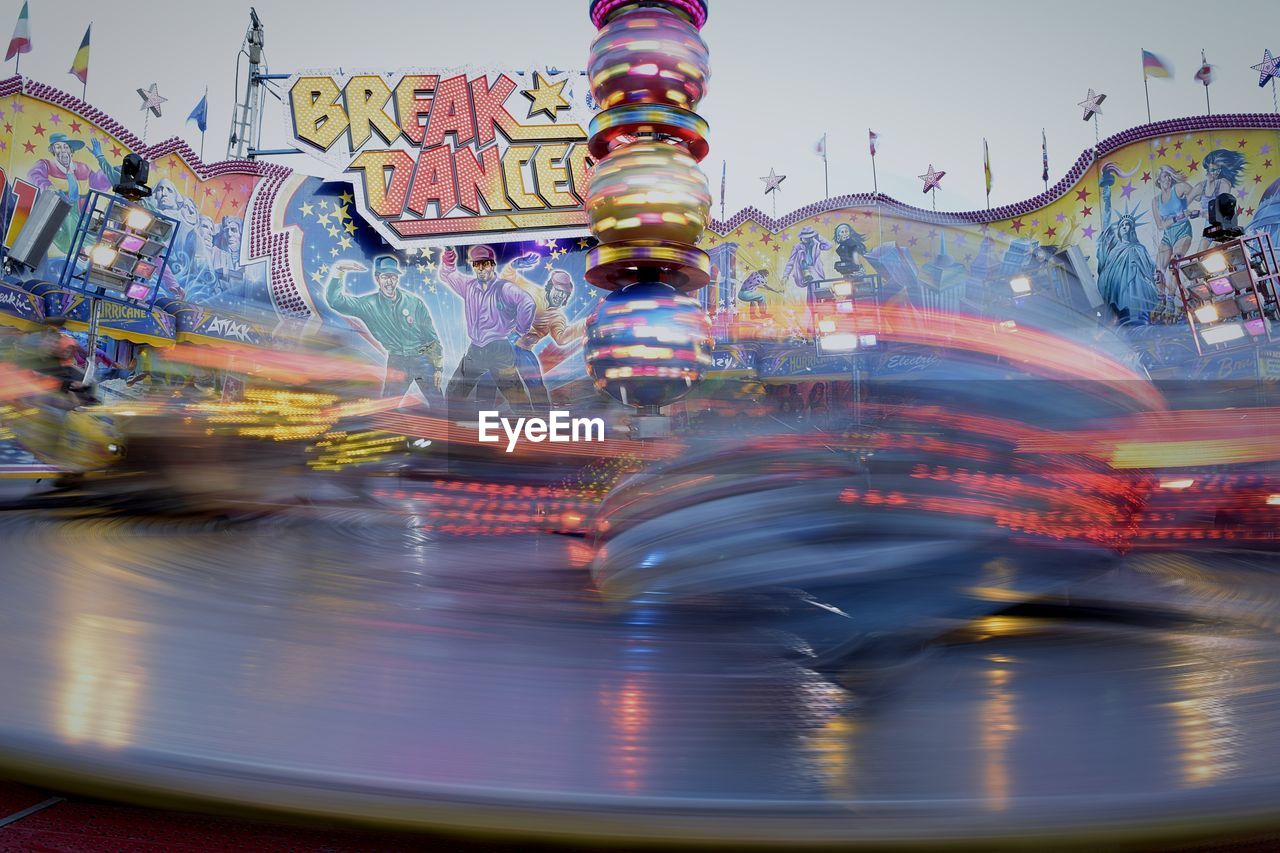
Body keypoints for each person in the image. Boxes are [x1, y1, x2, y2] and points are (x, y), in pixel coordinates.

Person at [324, 255, 444, 409]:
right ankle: (388, 431)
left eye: (393, 277)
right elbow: (336, 301)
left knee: (439, 405)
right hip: (397, 362)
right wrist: (339, 271)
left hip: (422, 360)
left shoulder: (414, 303)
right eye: (386, 276)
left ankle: (450, 433)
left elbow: (431, 337)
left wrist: (438, 367)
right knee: (388, 406)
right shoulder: (368, 305)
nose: (390, 282)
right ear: (377, 278)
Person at [438, 245, 536, 413]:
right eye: (477, 265)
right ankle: (454, 433)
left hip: (499, 350)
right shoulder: (468, 286)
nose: (481, 269)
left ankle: (532, 430)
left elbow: (528, 303)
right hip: (476, 349)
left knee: (517, 397)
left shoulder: (504, 288)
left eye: (485, 264)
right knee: (454, 392)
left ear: (492, 265)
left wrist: (519, 331)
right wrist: (448, 253)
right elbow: (446, 274)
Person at [27, 134, 115, 254]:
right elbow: (34, 174)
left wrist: (110, 167)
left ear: (71, 150)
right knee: (67, 245)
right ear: (53, 150)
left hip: (84, 218)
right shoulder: (46, 164)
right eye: (58, 147)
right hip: (61, 214)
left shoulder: (83, 168)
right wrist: (49, 187)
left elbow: (100, 183)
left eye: (66, 147)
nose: (63, 150)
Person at [512, 269, 586, 410]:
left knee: (536, 384)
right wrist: (514, 265)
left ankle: (543, 418)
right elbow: (510, 277)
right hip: (504, 345)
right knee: (506, 383)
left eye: (564, 294)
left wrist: (584, 323)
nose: (560, 296)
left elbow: (561, 338)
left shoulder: (557, 317)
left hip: (523, 350)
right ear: (549, 288)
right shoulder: (532, 291)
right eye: (558, 290)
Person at [1152, 165, 1193, 320]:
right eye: (1164, 176)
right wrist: (1176, 217)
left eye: (1169, 176)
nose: (1168, 179)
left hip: (1183, 232)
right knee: (1158, 271)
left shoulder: (1179, 188)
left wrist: (1187, 208)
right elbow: (1160, 225)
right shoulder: (1155, 201)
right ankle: (1161, 299)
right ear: (1159, 180)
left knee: (1172, 265)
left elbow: (1196, 193)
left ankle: (1170, 301)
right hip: (1168, 235)